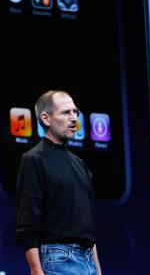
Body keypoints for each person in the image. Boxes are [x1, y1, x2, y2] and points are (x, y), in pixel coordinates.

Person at [17, 90, 102, 275]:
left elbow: (87, 228)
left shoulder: (80, 164)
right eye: (66, 113)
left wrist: (98, 269)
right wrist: (36, 270)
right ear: (46, 118)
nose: (74, 118)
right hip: (58, 259)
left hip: (87, 260)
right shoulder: (34, 159)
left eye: (75, 112)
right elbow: (28, 222)